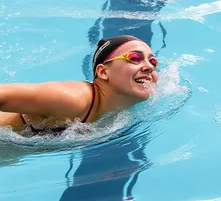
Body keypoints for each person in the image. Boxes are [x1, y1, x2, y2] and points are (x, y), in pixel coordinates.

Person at [0, 35, 158, 134]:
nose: (149, 67)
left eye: (153, 62)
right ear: (103, 72)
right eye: (134, 58)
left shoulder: (125, 109)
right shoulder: (72, 98)